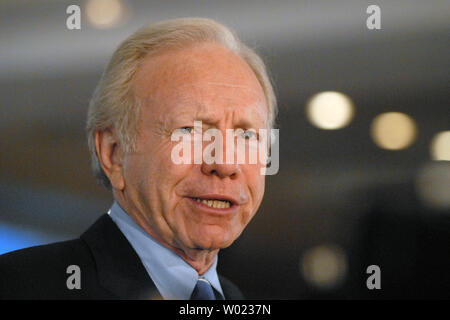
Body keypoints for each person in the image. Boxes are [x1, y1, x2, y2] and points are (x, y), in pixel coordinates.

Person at [0, 17, 277, 300]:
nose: (225, 164)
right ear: (114, 153)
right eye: (190, 131)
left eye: (247, 136)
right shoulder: (19, 287)